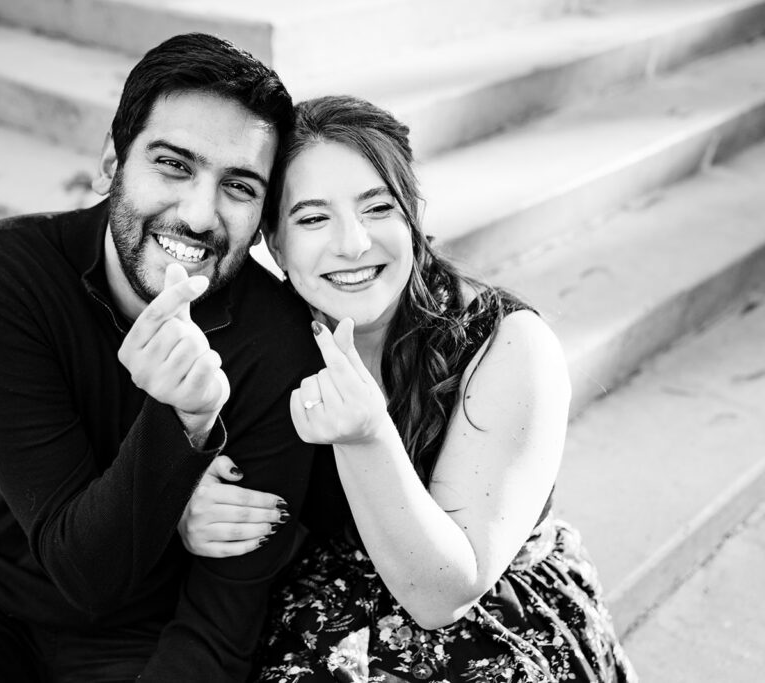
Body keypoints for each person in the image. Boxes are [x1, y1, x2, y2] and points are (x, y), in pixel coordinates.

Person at [0, 33, 321, 683]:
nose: (197, 213)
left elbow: (220, 625)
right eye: (173, 164)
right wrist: (184, 428)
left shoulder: (280, 344)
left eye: (238, 186)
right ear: (113, 161)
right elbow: (80, 570)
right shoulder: (1, 276)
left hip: (155, 631)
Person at [179, 96, 638, 682]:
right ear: (275, 242)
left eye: (377, 209)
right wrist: (189, 506)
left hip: (488, 608)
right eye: (313, 218)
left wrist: (367, 436)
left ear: (412, 216)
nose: (352, 244)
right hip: (331, 586)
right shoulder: (266, 335)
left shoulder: (508, 346)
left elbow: (444, 595)